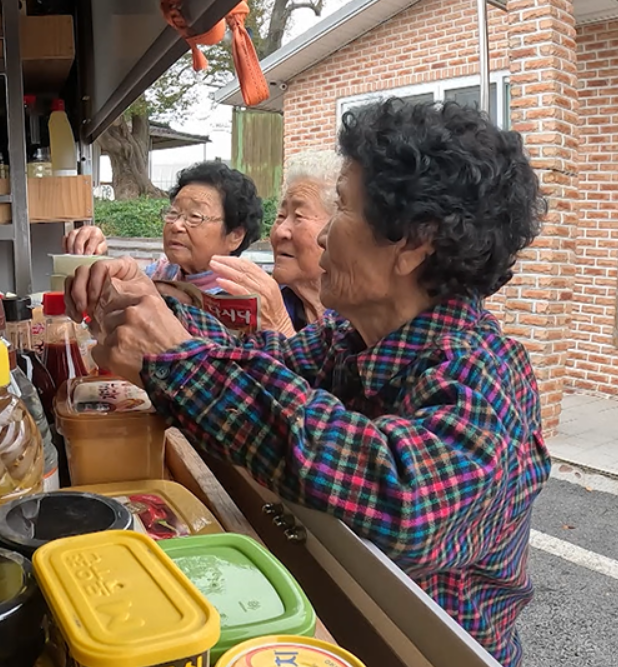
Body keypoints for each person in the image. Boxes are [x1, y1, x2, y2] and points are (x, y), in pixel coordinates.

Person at [66, 99, 549, 666]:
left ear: (415, 243)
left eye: (342, 208)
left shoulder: (488, 374)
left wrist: (174, 354)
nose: (319, 239)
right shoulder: (350, 339)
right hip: (327, 623)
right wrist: (152, 306)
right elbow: (259, 357)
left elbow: (402, 497)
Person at [64, 162, 262, 295]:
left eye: (194, 216)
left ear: (235, 235)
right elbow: (119, 290)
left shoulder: (244, 296)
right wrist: (95, 256)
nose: (176, 225)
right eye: (173, 213)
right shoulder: (161, 273)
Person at [211, 150, 339, 334]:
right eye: (281, 216)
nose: (280, 231)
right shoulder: (262, 303)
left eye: (299, 216)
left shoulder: (362, 319)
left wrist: (280, 326)